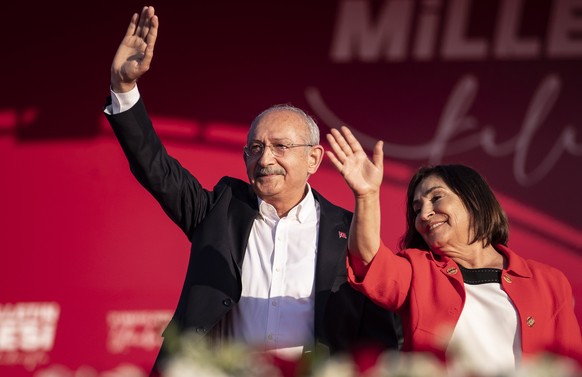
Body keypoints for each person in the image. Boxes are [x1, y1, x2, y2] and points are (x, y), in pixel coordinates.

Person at [103, 6, 402, 375]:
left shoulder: (348, 231)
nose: (265, 159)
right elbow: (155, 168)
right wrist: (124, 87)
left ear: (314, 159)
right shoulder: (219, 211)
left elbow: (379, 336)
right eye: (255, 149)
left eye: (280, 146)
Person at [326, 126, 582, 376]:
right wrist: (367, 196)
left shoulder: (549, 282)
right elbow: (367, 261)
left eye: (436, 198)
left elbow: (569, 365)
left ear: (474, 201)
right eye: (417, 209)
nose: (425, 214)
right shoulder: (418, 270)